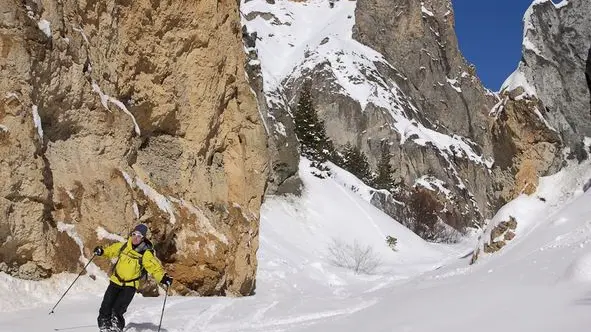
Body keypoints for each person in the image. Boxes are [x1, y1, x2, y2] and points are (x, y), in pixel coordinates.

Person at [93, 224, 173, 332]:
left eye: (139, 236)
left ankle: (116, 328)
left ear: (143, 238)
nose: (135, 237)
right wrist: (102, 251)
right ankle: (104, 327)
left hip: (130, 286)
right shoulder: (124, 246)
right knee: (106, 306)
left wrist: (163, 278)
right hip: (116, 281)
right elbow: (110, 251)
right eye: (134, 234)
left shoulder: (145, 253)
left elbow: (154, 267)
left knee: (118, 309)